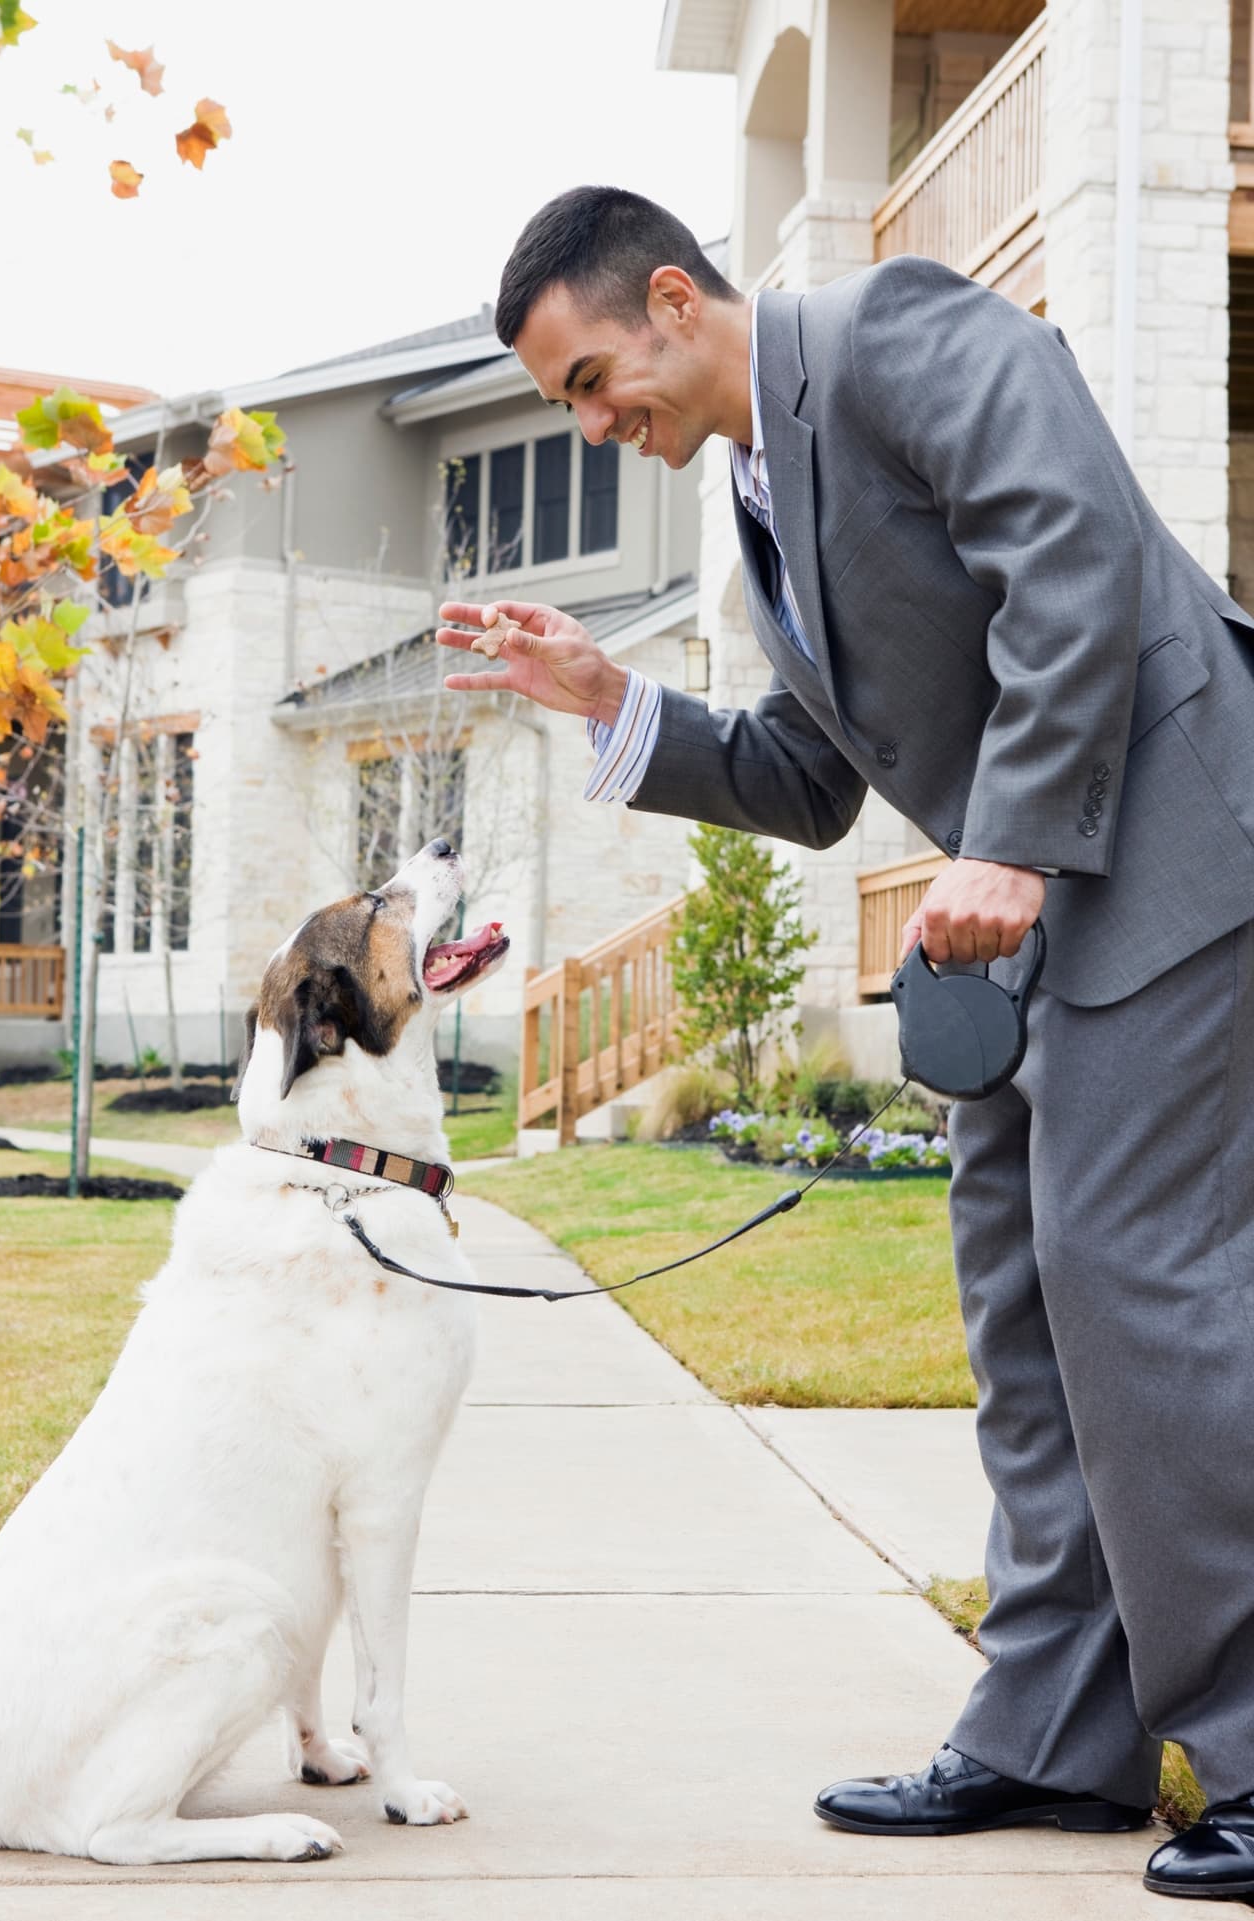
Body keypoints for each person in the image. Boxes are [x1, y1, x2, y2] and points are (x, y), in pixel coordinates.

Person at [437, 185, 1254, 1903]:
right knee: (1021, 1304)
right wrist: (613, 701)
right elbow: (815, 782)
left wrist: (1008, 838)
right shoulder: (759, 504)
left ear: (673, 300)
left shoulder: (895, 330)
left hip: (1172, 849)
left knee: (1135, 1282)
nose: (592, 424)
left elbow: (1075, 548)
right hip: (1029, 918)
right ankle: (1060, 1731)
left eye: (588, 380)